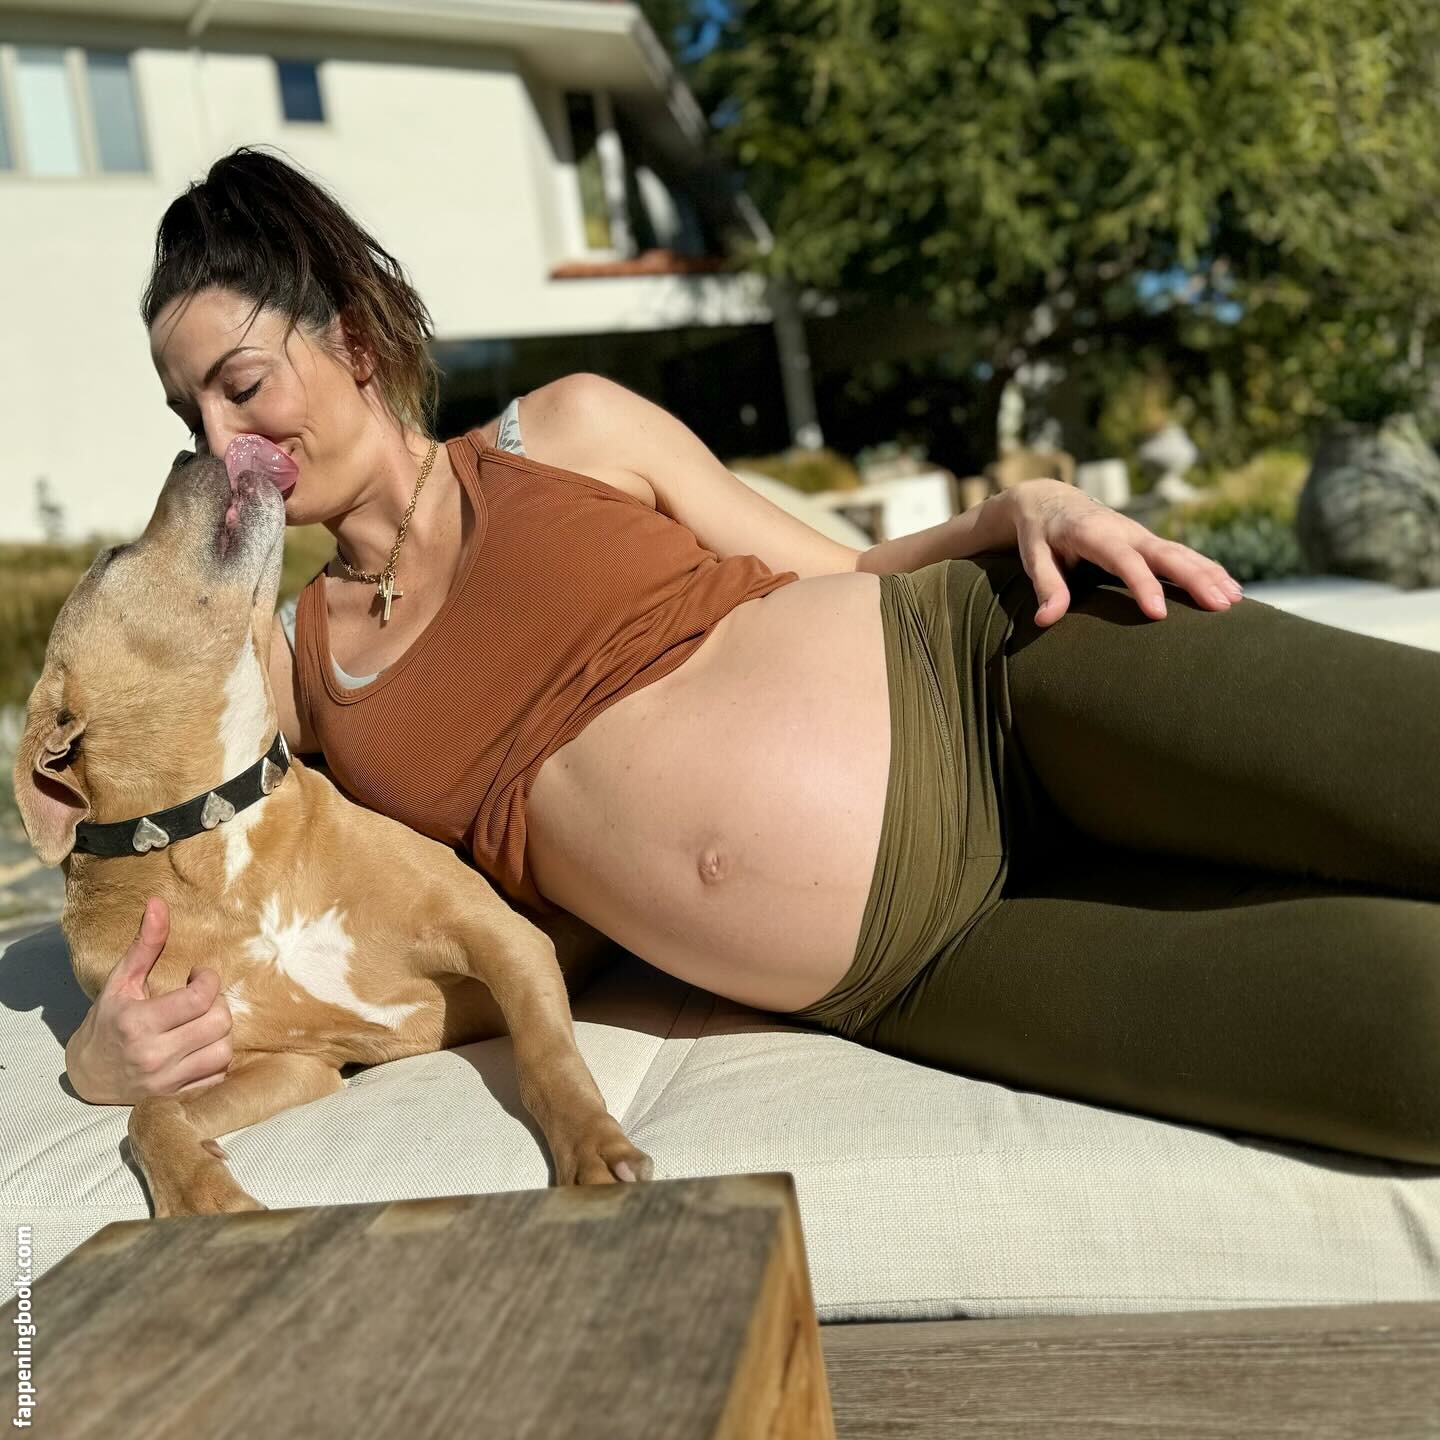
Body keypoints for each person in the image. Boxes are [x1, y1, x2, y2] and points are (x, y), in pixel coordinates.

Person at [64, 147, 1440, 1167]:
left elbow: (839, 569)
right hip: (929, 961)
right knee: (1407, 1046)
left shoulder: (567, 429)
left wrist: (1018, 511)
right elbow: (192, 877)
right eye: (191, 415)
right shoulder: (296, 665)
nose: (222, 439)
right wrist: (102, 1053)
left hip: (998, 680)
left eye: (242, 384)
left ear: (352, 342)